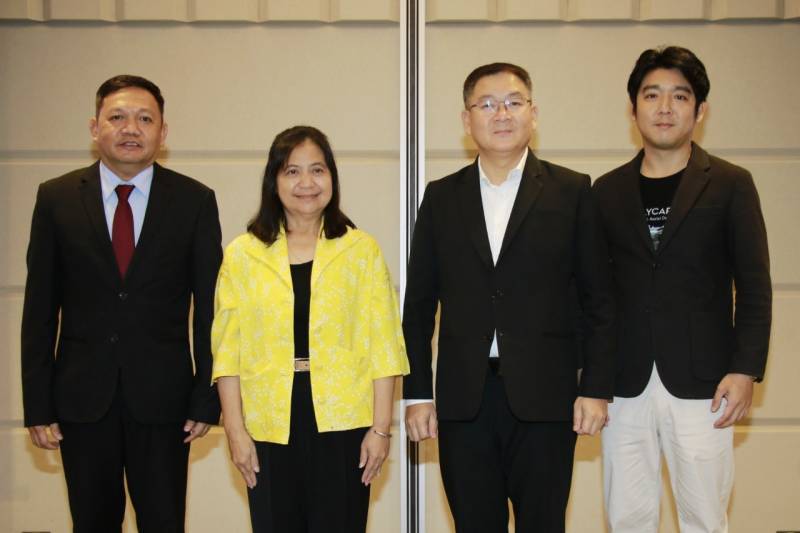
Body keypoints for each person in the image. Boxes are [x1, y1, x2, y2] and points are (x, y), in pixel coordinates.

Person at [402, 63, 615, 533]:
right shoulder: (441, 198)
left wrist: (595, 388)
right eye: (487, 104)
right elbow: (417, 308)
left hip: (547, 400)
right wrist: (416, 394)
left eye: (514, 102)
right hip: (464, 402)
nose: (502, 114)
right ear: (467, 120)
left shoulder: (573, 191)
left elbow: (598, 300)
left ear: (533, 114)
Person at [21, 75, 223, 532]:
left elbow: (211, 310)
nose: (131, 128)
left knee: (164, 523)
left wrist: (205, 397)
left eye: (145, 119)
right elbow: (39, 310)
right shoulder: (55, 198)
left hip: (165, 402)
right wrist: (38, 403)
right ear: (95, 128)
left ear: (163, 133)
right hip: (81, 399)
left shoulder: (194, 201)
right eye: (117, 117)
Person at [593, 46, 772, 532]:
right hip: (624, 382)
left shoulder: (731, 184)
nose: (665, 107)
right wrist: (591, 379)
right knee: (627, 517)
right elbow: (594, 293)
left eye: (680, 96)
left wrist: (745, 369)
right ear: (633, 109)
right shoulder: (605, 192)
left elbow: (754, 286)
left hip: (704, 381)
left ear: (700, 110)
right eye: (652, 95)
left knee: (704, 517)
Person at [211, 125, 409, 532]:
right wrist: (235, 430)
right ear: (274, 181)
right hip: (268, 422)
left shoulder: (360, 250)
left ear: (332, 177)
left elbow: (385, 346)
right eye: (292, 171)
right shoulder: (243, 254)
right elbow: (227, 351)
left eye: (317, 170)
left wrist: (380, 429)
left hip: (344, 421)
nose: (306, 183)